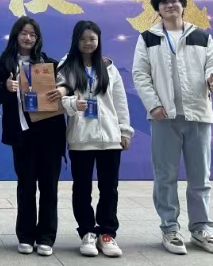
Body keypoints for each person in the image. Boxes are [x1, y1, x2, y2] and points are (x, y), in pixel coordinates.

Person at [131, 0, 213, 256]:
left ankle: (201, 228)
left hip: (198, 115)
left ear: (183, 5)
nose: (170, 5)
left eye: (174, 1)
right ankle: (170, 229)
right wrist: (154, 105)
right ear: (157, 10)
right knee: (165, 176)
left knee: (200, 177)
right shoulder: (148, 38)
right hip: (164, 117)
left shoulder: (201, 36)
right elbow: (140, 74)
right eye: (164, 3)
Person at [0, 16, 65, 257]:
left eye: (33, 34)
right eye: (24, 33)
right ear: (16, 35)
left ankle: (46, 237)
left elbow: (69, 81)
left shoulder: (47, 63)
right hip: (23, 135)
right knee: (26, 186)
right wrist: (6, 88)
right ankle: (26, 235)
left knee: (49, 187)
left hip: (50, 134)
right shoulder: (6, 62)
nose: (28, 38)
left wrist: (63, 89)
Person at [57, 21, 133, 258]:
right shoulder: (66, 66)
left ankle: (107, 233)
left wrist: (124, 131)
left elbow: (120, 101)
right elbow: (58, 99)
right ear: (76, 40)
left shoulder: (109, 68)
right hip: (81, 138)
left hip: (109, 138)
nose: (88, 43)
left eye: (92, 39)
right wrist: (73, 103)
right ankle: (87, 232)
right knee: (82, 189)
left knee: (109, 188)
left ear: (98, 41)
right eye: (83, 39)